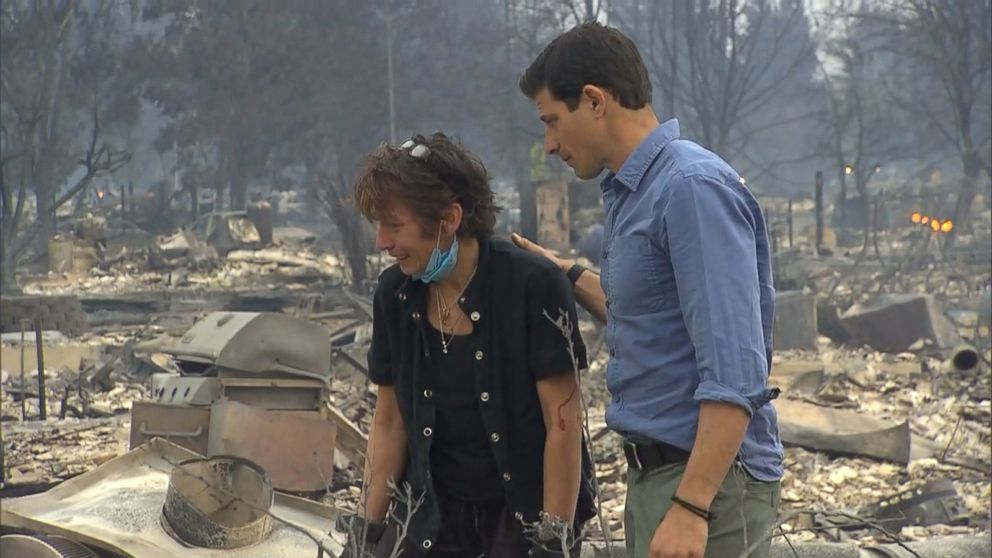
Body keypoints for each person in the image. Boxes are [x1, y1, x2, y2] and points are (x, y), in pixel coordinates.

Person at [513, 22, 784, 558]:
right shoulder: (633, 191)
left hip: (708, 484)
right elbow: (650, 320)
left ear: (593, 100)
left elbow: (736, 370)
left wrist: (692, 506)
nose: (549, 145)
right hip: (660, 479)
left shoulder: (690, 189)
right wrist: (562, 272)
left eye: (551, 122)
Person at [339, 132, 596, 557]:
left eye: (395, 225)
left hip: (522, 516)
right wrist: (366, 533)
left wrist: (554, 538)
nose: (382, 243)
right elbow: (389, 423)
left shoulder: (532, 287)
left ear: (450, 218)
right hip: (434, 515)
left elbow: (562, 424)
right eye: (377, 226)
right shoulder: (396, 296)